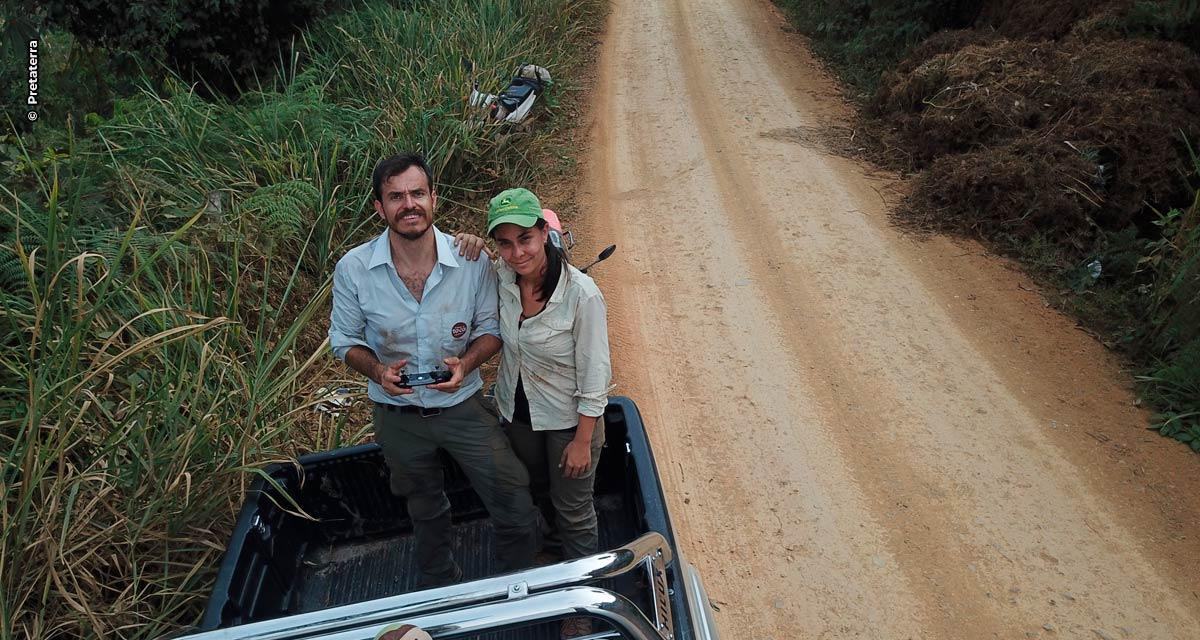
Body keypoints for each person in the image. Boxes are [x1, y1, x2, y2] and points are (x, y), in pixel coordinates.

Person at [329, 153, 537, 587]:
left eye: (417, 193)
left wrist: (466, 364)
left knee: (512, 493)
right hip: (396, 414)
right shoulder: (353, 269)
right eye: (396, 196)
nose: (409, 204)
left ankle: (520, 583)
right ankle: (439, 584)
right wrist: (377, 371)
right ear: (379, 207)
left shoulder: (472, 261)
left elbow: (491, 331)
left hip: (461, 405)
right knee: (422, 506)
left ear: (434, 198)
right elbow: (344, 341)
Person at [486, 188, 612, 639]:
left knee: (574, 507)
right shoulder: (501, 276)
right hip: (518, 412)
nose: (517, 252)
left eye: (526, 238)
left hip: (568, 422)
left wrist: (582, 439)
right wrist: (464, 241)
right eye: (505, 243)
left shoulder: (581, 295)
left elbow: (596, 375)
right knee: (538, 490)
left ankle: (580, 599)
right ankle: (555, 552)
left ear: (545, 233)